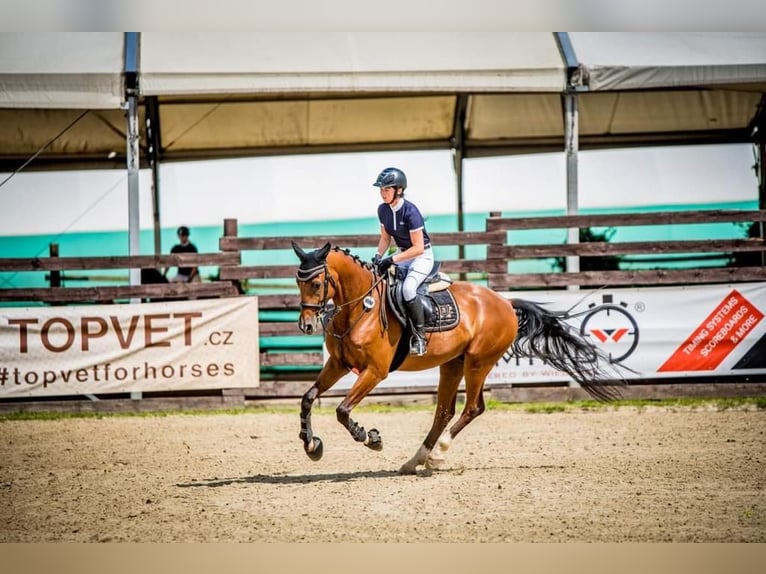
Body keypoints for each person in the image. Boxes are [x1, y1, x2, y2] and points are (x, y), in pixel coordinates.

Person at [372, 167, 433, 356]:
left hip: (421, 257)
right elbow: (385, 238)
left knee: (407, 289)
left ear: (398, 190)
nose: (383, 193)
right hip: (401, 254)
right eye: (381, 189)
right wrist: (378, 256)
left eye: (387, 189)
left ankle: (420, 337)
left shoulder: (411, 211)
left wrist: (391, 259)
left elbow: (418, 248)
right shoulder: (383, 210)